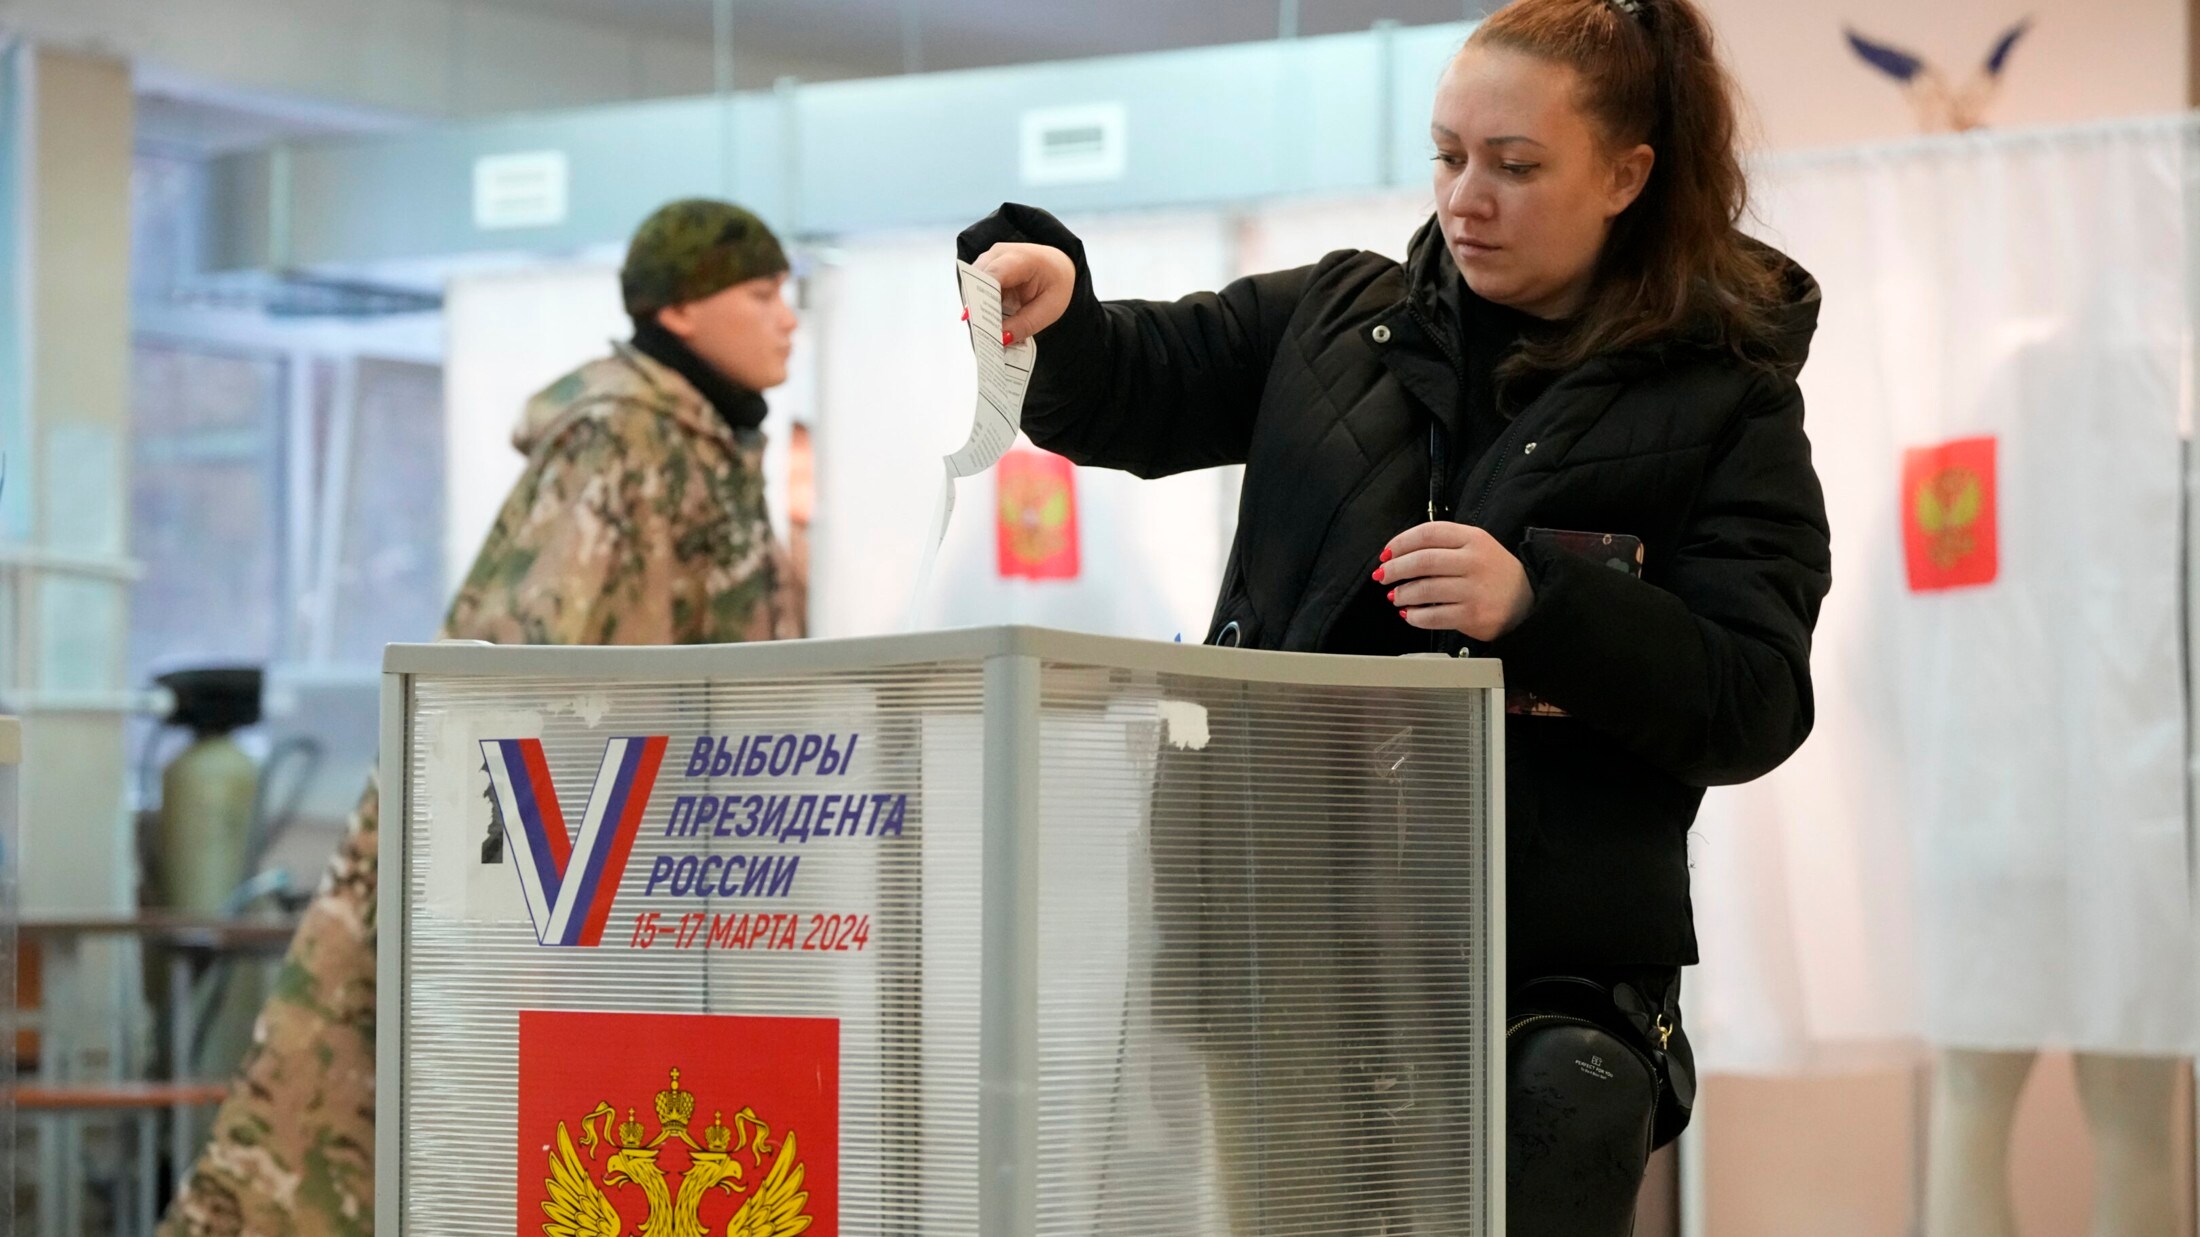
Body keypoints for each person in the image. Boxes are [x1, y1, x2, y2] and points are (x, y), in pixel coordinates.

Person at [958, 0, 1829, 1230]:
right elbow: (1137, 383)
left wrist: (1541, 603)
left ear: (1627, 174)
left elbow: (1753, 697)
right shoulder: (1332, 321)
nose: (1467, 197)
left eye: (1516, 166)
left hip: (1538, 970)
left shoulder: (1725, 404)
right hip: (1278, 933)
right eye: (1448, 155)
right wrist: (1058, 310)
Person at [158, 198, 805, 1236]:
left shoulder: (708, 446)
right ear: (679, 313)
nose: (789, 318)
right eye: (761, 293)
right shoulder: (619, 445)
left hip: (625, 895)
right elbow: (529, 698)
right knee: (355, 1149)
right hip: (549, 890)